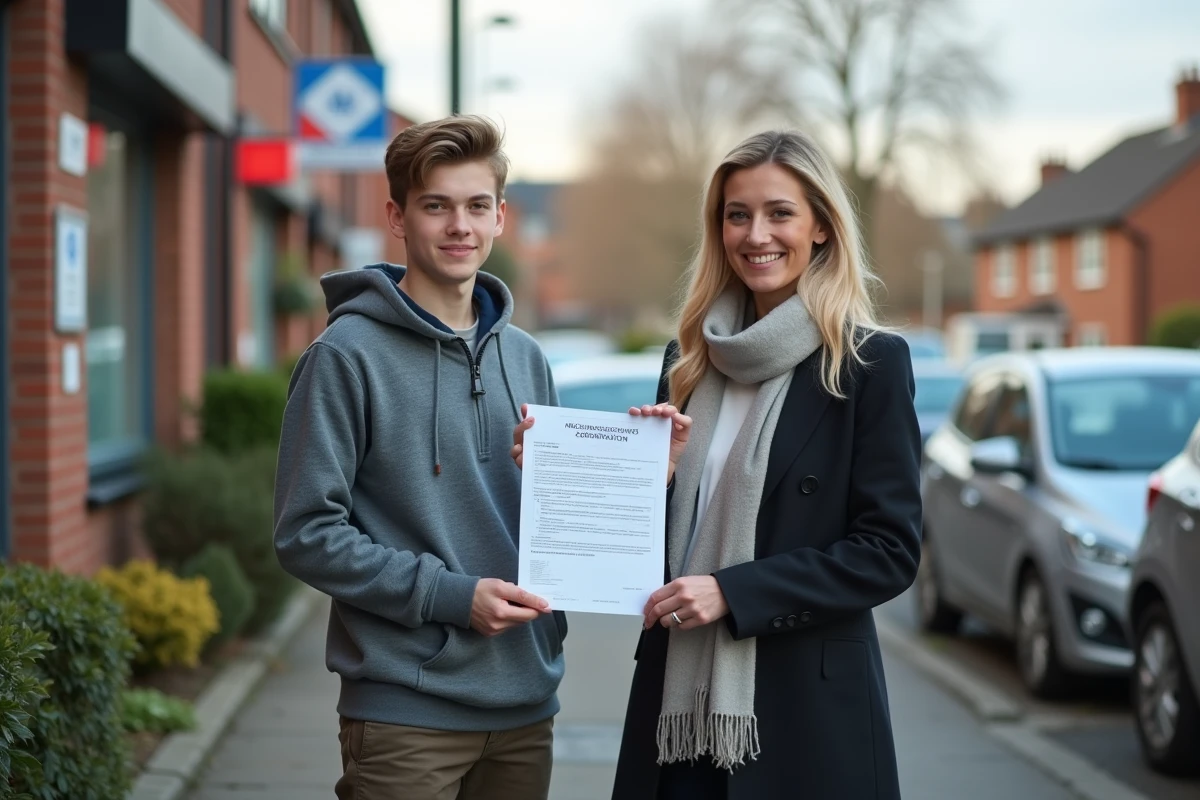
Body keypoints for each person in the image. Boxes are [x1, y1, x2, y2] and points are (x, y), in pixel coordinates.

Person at [531, 129, 921, 799]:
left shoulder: (869, 366)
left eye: (779, 213)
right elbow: (648, 564)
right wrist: (648, 480)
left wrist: (733, 592)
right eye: (736, 214)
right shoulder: (685, 364)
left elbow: (888, 551)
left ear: (821, 227)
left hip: (806, 713)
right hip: (679, 710)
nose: (754, 233)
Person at [273, 115, 566, 800]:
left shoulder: (527, 358)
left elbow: (562, 526)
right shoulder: (344, 358)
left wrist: (646, 475)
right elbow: (305, 534)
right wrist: (451, 597)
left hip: (527, 705)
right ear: (398, 217)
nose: (458, 226)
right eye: (436, 205)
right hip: (408, 713)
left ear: (500, 217)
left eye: (474, 206)